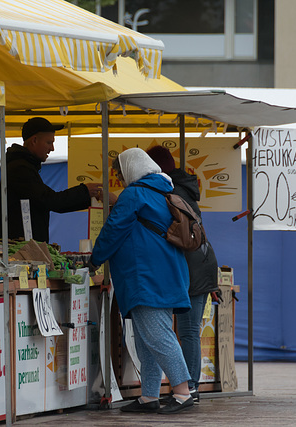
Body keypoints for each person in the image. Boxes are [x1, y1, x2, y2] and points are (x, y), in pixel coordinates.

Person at [89, 148, 194, 414]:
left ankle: (183, 391)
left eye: (121, 173)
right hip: (166, 273)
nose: (121, 179)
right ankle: (149, 395)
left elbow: (114, 228)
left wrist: (94, 258)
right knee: (146, 338)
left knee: (157, 335)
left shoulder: (135, 194)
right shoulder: (164, 192)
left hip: (147, 276)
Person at [146, 145, 220, 404]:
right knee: (187, 331)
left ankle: (190, 388)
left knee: (188, 331)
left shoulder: (171, 192)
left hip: (193, 267)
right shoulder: (182, 188)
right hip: (199, 263)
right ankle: (189, 387)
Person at [0, 117, 101, 242]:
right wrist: (85, 192)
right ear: (34, 140)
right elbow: (50, 200)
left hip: (22, 246)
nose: (52, 148)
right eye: (49, 143)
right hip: (18, 250)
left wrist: (87, 196)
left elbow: (50, 201)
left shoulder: (22, 166)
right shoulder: (20, 168)